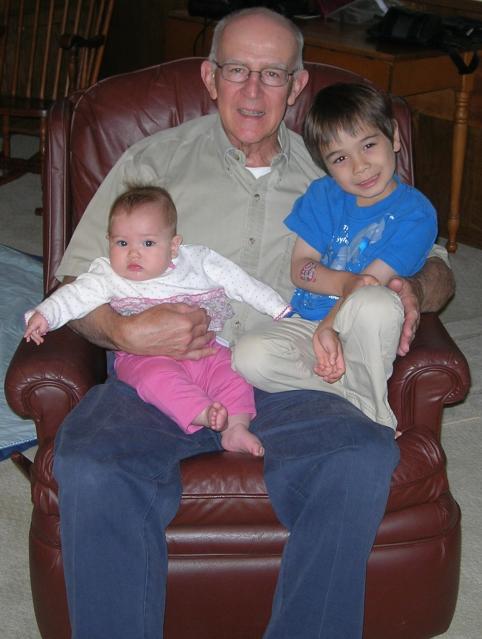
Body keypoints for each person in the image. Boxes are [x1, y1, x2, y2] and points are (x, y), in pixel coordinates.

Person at [52, 7, 454, 639]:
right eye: (237, 69)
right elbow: (74, 281)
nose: (252, 90)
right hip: (162, 368)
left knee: (358, 458)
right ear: (209, 77)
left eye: (273, 74)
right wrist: (126, 332)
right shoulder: (152, 161)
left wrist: (414, 290)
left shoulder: (339, 166)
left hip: (292, 369)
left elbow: (436, 263)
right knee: (92, 464)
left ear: (298, 86)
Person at [25, 185, 291, 456]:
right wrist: (45, 314)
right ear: (109, 241)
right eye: (122, 243)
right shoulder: (107, 276)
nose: (133, 253)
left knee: (234, 374)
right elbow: (74, 295)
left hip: (206, 349)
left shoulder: (197, 261)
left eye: (148, 243)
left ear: (174, 245)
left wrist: (278, 308)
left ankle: (235, 428)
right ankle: (200, 412)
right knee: (156, 380)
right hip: (142, 356)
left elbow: (240, 283)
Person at [233, 82, 437, 431]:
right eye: (340, 158)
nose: (360, 167)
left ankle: (372, 414)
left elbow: (369, 283)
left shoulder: (417, 214)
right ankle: (354, 399)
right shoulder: (321, 195)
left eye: (369, 145)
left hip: (362, 329)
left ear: (394, 137)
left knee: (375, 302)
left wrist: (331, 326)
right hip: (307, 322)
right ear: (326, 167)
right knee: (248, 356)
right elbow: (300, 268)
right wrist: (334, 304)